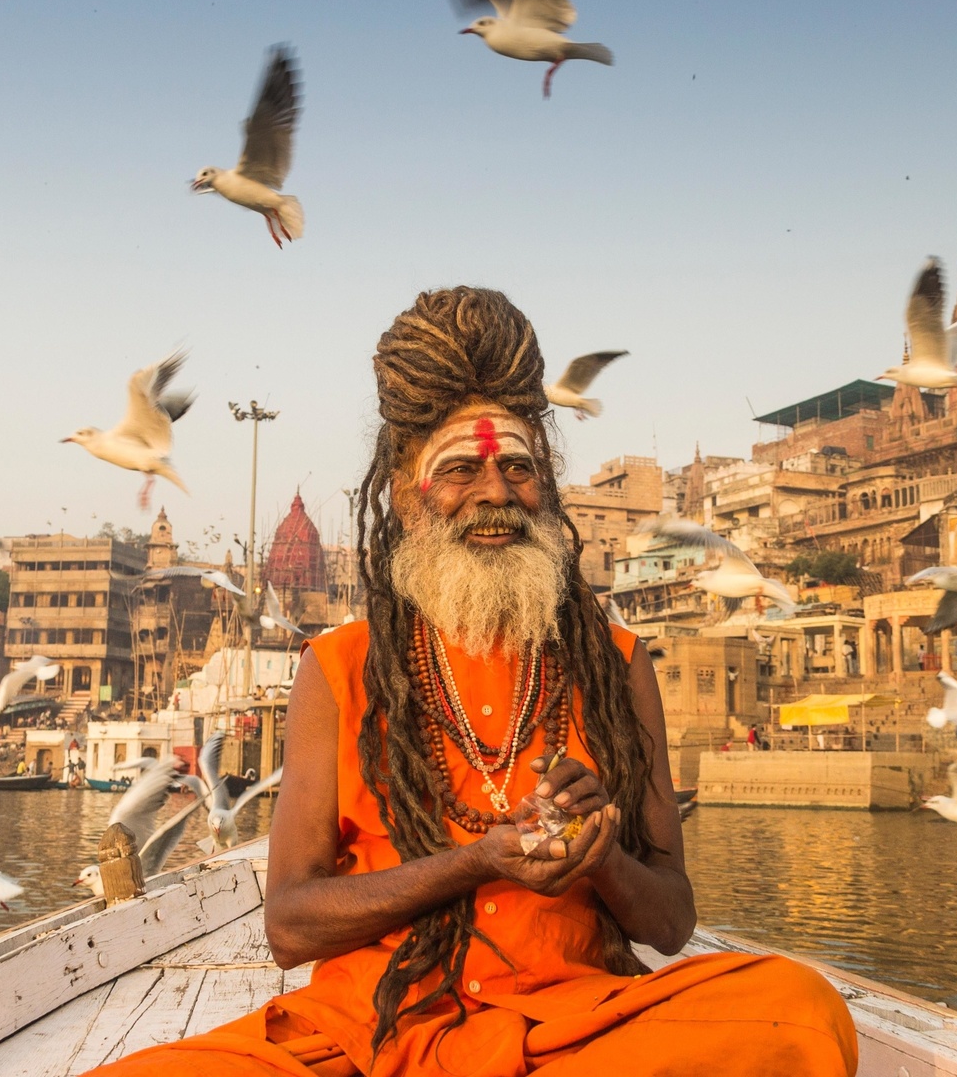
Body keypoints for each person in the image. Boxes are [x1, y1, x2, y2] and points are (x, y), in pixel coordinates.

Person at [88, 288, 857, 1076]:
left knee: (799, 1011)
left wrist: (601, 860)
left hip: (568, 1032)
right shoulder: (342, 665)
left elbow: (671, 921)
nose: (495, 493)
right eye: (460, 468)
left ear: (546, 483)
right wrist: (476, 861)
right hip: (367, 1032)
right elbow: (290, 926)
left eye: (516, 467)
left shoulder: (616, 661)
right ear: (405, 494)